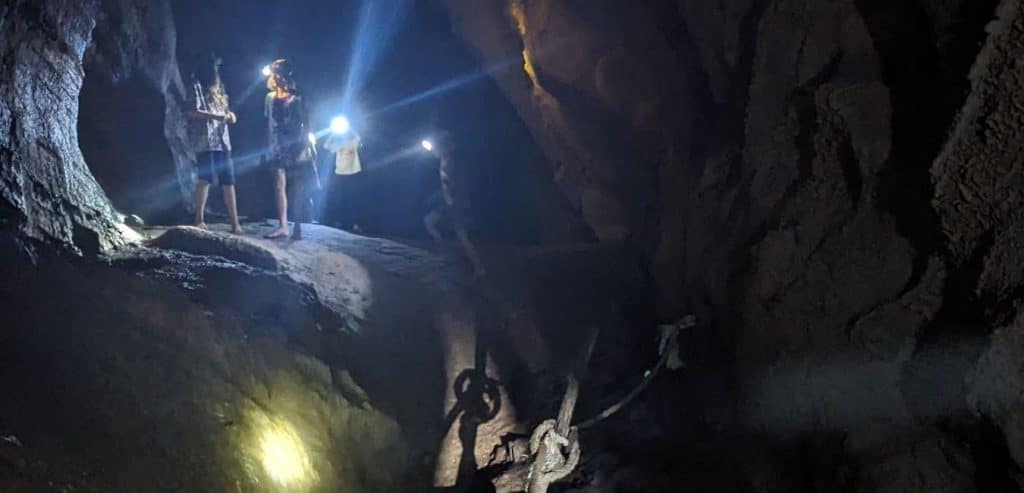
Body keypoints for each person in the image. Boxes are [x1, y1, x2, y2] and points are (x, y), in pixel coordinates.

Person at [263, 59, 319, 240]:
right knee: (279, 185)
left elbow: (307, 124)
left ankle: (297, 225)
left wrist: (304, 146)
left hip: (295, 145)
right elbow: (269, 123)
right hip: (276, 146)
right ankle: (283, 225)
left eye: (277, 74)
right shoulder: (270, 98)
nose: (274, 77)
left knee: (296, 187)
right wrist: (268, 146)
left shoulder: (299, 99)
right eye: (274, 74)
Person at [187, 56, 242, 234]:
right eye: (215, 69)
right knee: (205, 179)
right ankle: (199, 219)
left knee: (229, 181)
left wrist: (230, 115)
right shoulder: (196, 85)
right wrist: (215, 116)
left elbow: (226, 110)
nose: (217, 72)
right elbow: (193, 111)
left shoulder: (220, 89)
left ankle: (235, 223)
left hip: (223, 141)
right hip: (205, 140)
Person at [423, 135, 486, 278]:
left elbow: (457, 184)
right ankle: (445, 254)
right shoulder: (443, 162)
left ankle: (479, 267)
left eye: (434, 147)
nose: (432, 151)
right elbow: (446, 185)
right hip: (446, 203)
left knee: (463, 237)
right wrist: (437, 196)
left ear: (441, 147)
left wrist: (458, 202)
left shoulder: (452, 163)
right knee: (429, 221)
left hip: (455, 204)